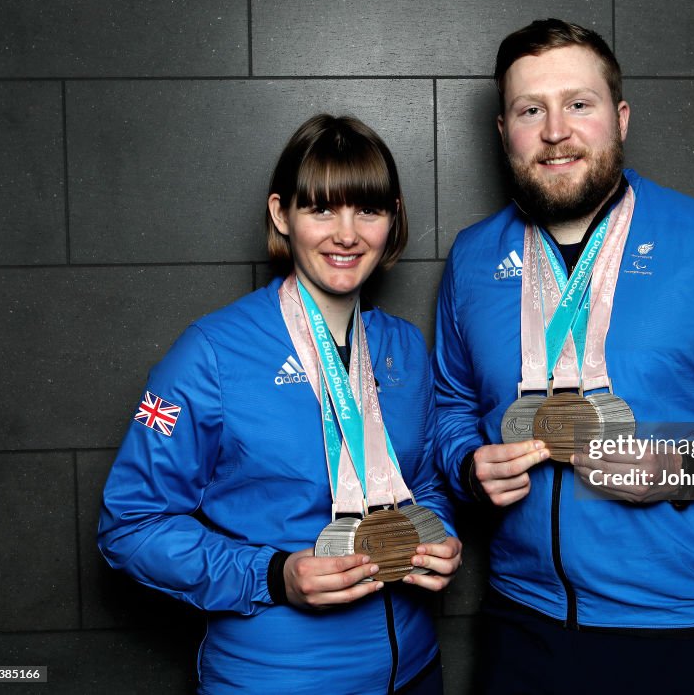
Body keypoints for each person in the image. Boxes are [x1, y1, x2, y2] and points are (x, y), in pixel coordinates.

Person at [433, 19, 694, 693]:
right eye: (531, 109)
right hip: (519, 627)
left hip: (678, 635)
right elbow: (451, 405)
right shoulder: (475, 257)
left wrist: (687, 462)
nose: (556, 129)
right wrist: (468, 465)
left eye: (579, 104)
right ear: (504, 129)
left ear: (619, 118)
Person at [99, 114, 461, 695]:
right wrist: (273, 576)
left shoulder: (402, 349)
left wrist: (439, 534)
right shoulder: (211, 353)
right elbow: (131, 526)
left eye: (367, 209)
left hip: (415, 672)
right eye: (321, 209)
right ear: (280, 214)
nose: (347, 234)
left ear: (392, 220)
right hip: (278, 679)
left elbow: (425, 485)